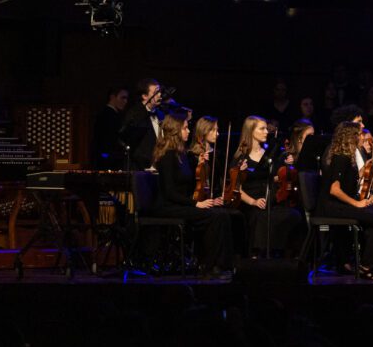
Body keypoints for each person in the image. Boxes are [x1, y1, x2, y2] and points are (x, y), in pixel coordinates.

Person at [150, 107, 232, 275]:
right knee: (213, 217)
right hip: (168, 207)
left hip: (181, 204)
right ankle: (208, 265)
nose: (188, 131)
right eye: (185, 127)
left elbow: (189, 182)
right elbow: (170, 192)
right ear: (175, 130)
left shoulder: (182, 155)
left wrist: (199, 164)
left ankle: (222, 265)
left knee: (222, 214)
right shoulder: (167, 156)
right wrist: (197, 204)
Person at [321, 119, 373, 279]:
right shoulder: (341, 157)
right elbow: (334, 190)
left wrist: (368, 169)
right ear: (350, 137)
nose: (362, 138)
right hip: (334, 206)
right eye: (359, 135)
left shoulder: (348, 158)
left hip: (343, 204)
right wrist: (357, 203)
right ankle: (367, 264)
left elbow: (350, 182)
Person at [230, 115, 304, 258]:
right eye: (262, 129)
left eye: (266, 129)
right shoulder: (241, 157)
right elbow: (236, 187)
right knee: (261, 217)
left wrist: (287, 166)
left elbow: (276, 178)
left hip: (270, 199)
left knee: (293, 215)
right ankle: (256, 254)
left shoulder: (271, 154)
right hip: (251, 203)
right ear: (251, 131)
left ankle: (285, 254)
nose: (266, 132)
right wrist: (253, 201)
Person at [123, 78, 165, 169]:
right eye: (156, 92)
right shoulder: (135, 114)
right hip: (142, 167)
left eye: (159, 92)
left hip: (159, 165)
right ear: (145, 96)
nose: (160, 95)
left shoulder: (160, 113)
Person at [92, 86, 129, 168]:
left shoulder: (111, 114)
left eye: (126, 98)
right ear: (112, 97)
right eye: (123, 98)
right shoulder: (107, 115)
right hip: (108, 161)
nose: (125, 101)